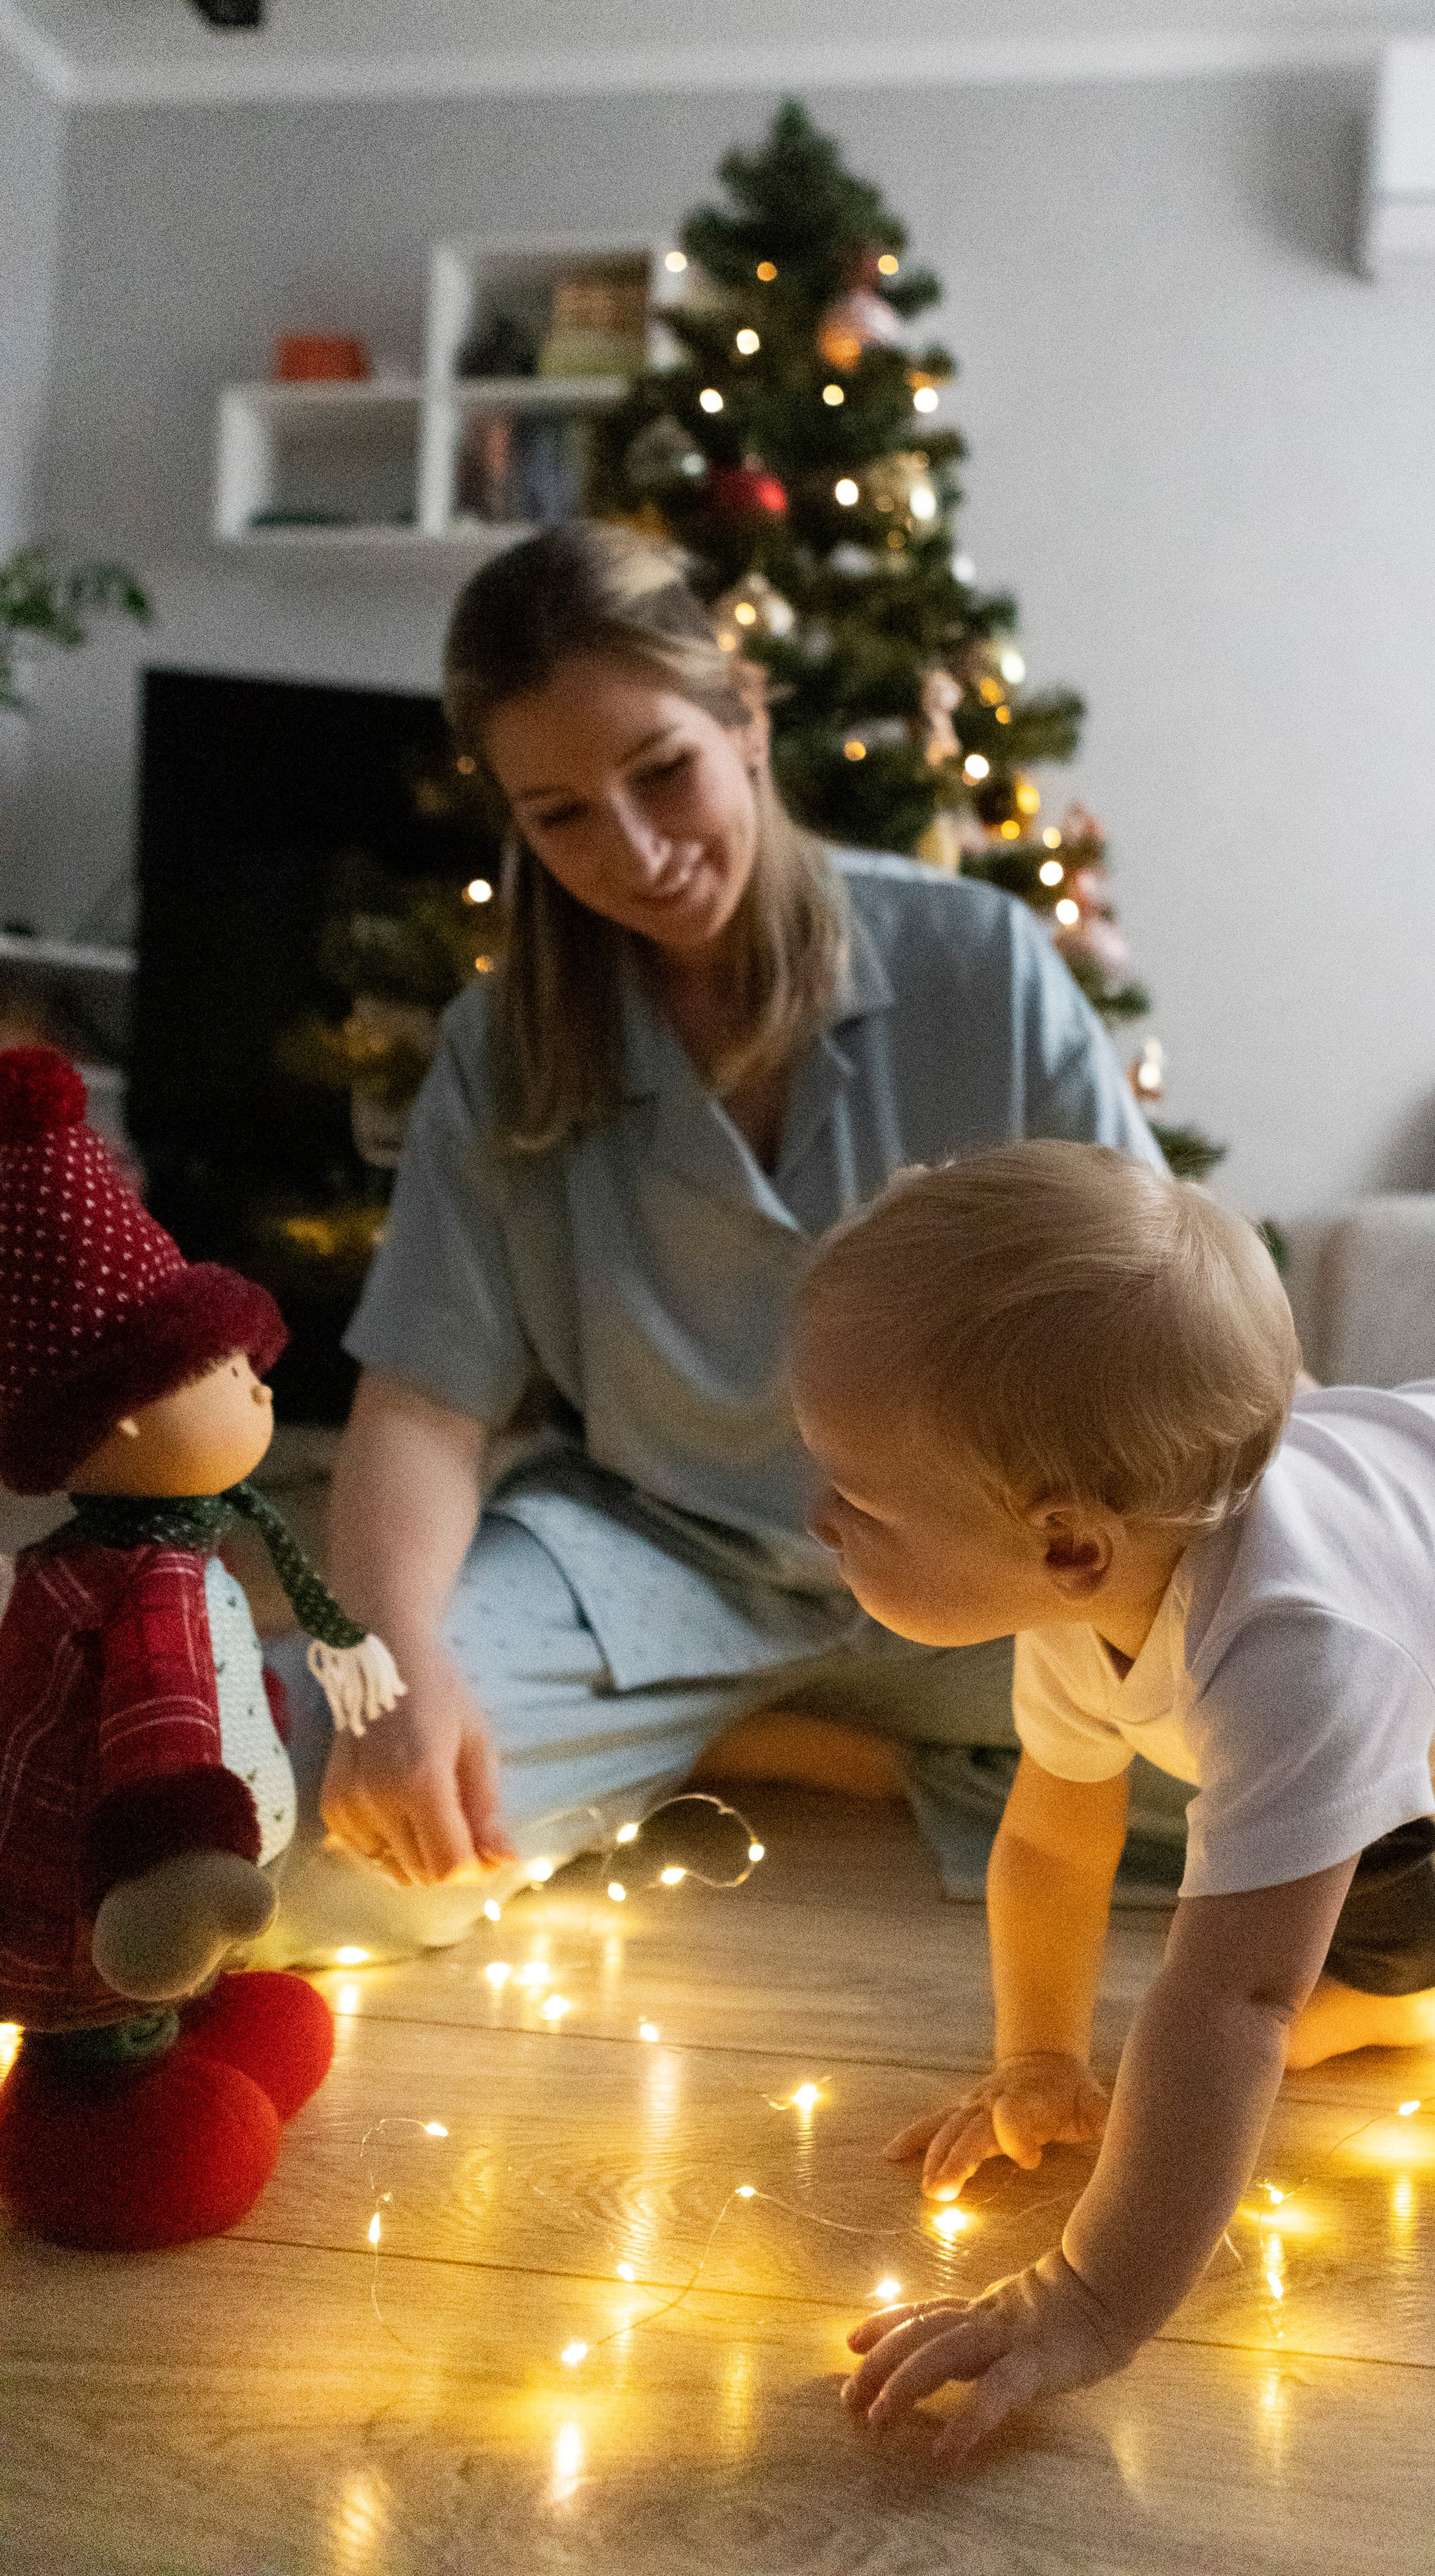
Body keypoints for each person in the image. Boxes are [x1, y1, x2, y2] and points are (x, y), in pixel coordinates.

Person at [787, 1140, 1435, 2465]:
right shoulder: (1091, 1586)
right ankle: (1398, 1988)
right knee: (1284, 1815)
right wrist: (1039, 2057)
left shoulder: (1302, 1651)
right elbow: (1052, 1837)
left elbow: (1235, 2002)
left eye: (856, 1500)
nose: (818, 1520)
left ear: (1072, 1543)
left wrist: (1087, 2300)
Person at [264, 524, 1165, 1963]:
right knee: (315, 1814)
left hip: (984, 1573)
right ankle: (761, 1728)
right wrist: (396, 1667)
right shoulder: (502, 1054)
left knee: (1326, 1778)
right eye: (558, 815)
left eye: (661, 772)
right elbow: (424, 1406)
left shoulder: (973, 962)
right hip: (654, 1571)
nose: (630, 854)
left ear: (742, 717)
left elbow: (1149, 1313)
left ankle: (804, 1743)